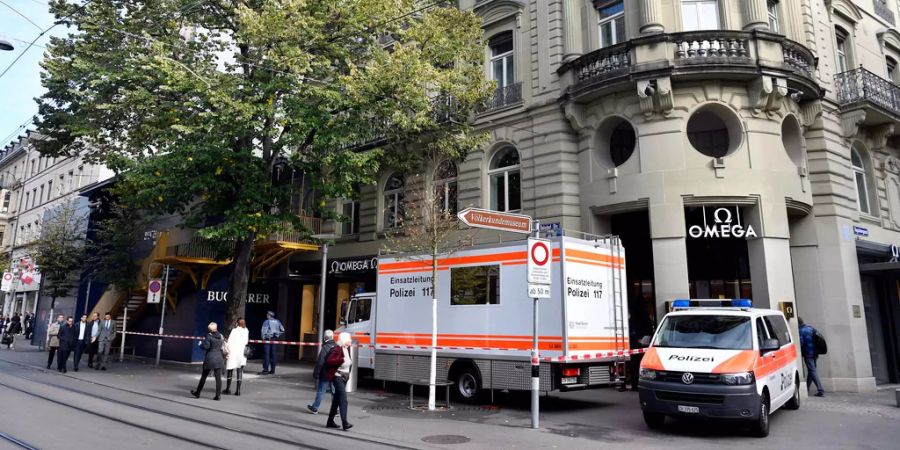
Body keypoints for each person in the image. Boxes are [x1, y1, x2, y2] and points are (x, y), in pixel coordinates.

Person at [325, 332, 353, 431]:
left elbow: (349, 363)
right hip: (337, 377)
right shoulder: (338, 349)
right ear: (345, 340)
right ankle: (345, 422)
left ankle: (330, 421)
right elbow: (329, 361)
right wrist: (341, 360)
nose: (351, 340)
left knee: (336, 400)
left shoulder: (347, 349)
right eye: (349, 339)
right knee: (343, 399)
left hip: (344, 377)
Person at [191, 322, 226, 401]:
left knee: (204, 376)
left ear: (210, 329)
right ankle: (218, 396)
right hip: (219, 358)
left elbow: (206, 346)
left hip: (210, 358)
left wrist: (200, 344)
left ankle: (198, 393)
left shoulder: (209, 336)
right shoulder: (221, 336)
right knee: (218, 378)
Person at [308, 329, 336, 414]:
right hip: (334, 373)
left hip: (325, 374)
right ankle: (336, 410)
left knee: (321, 391)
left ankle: (315, 408)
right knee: (334, 392)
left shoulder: (325, 347)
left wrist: (316, 373)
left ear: (324, 337)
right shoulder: (337, 346)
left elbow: (320, 362)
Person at [799, 318, 825, 397]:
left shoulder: (800, 331)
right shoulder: (811, 328)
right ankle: (807, 388)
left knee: (812, 371)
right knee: (811, 371)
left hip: (808, 353)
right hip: (815, 353)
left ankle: (820, 389)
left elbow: (800, 343)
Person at [224, 318, 249, 396]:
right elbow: (246, 342)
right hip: (242, 353)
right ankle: (238, 391)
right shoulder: (246, 330)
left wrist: (227, 351)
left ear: (237, 323)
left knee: (230, 370)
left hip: (233, 352)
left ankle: (228, 389)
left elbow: (230, 342)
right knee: (240, 370)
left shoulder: (234, 331)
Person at [259, 311, 284, 375]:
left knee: (266, 355)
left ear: (269, 315)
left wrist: (263, 338)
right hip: (274, 339)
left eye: (267, 314)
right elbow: (282, 330)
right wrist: (277, 335)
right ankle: (273, 370)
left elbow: (263, 331)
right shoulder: (277, 321)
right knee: (273, 355)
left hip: (267, 339)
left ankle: (265, 370)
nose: (267, 315)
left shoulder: (266, 321)